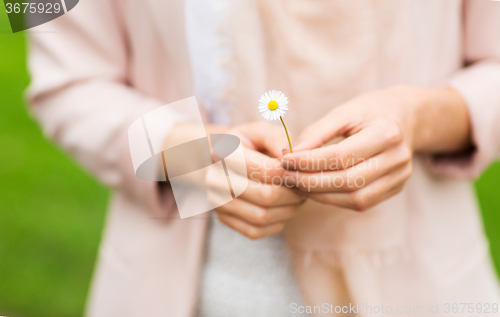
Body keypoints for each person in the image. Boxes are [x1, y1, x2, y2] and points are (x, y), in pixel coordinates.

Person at [28, 0, 500, 316]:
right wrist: (187, 158)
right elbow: (64, 83)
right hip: (182, 286)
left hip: (419, 282)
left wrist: (418, 118)